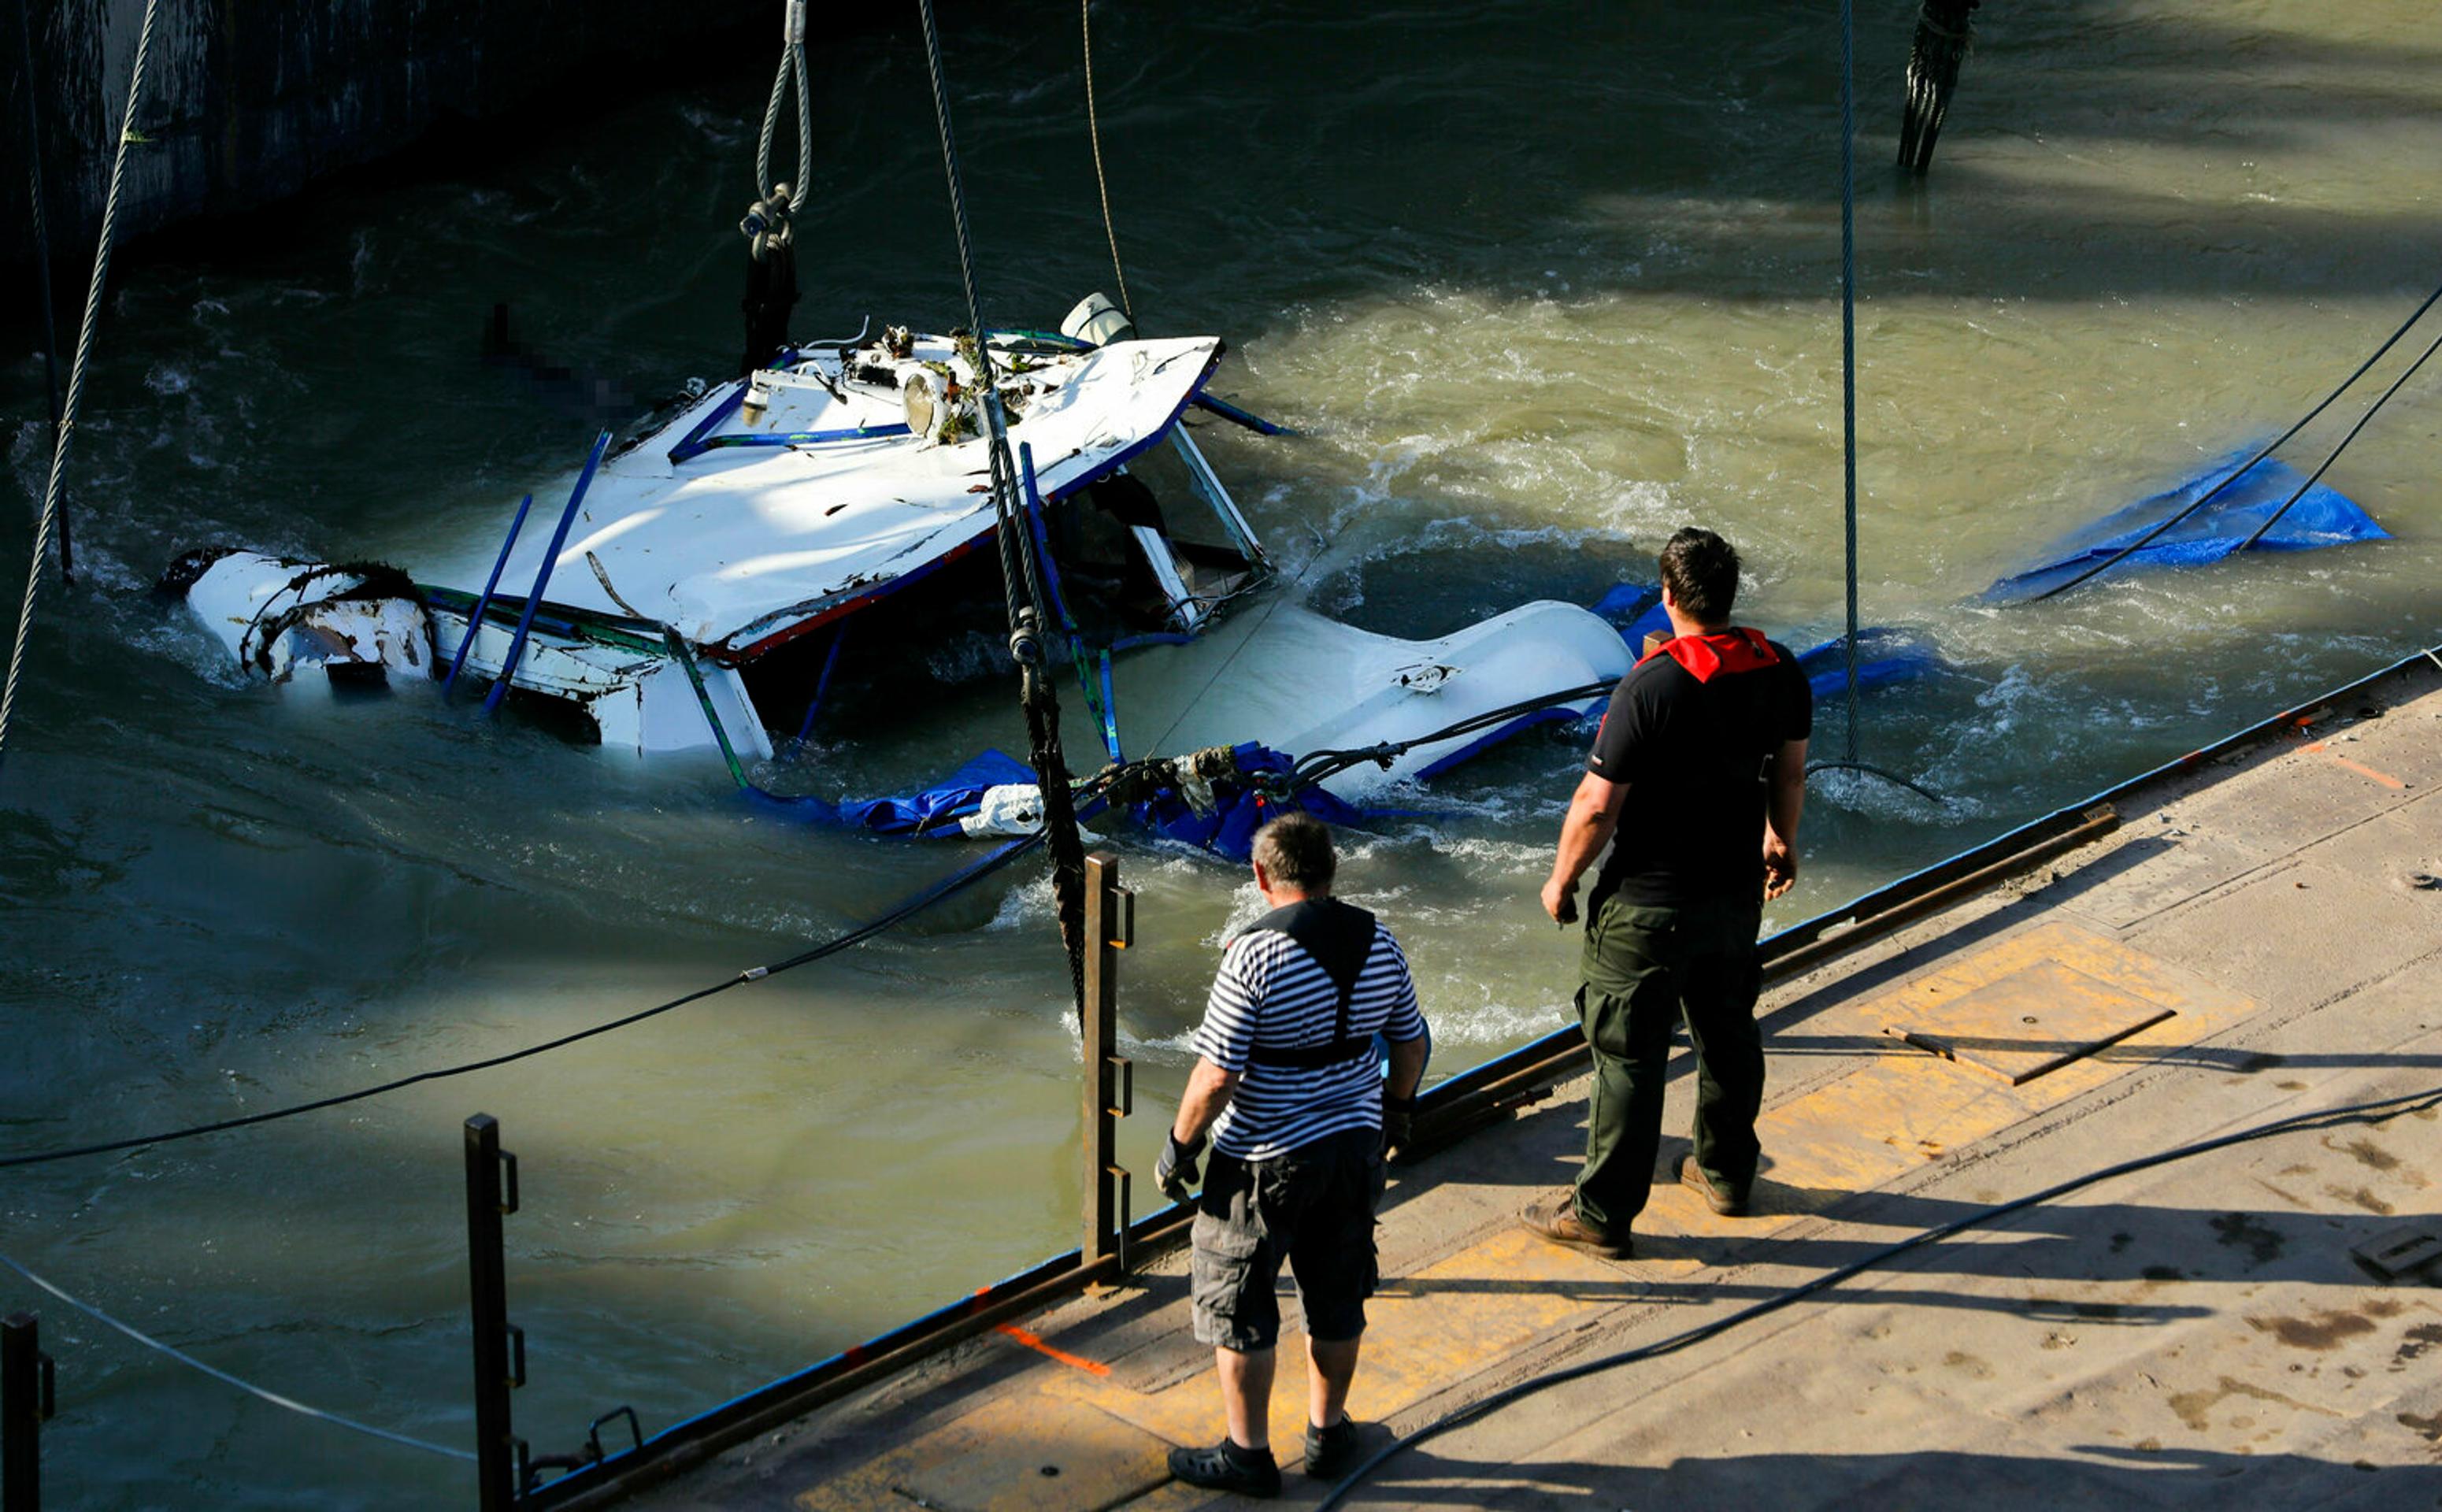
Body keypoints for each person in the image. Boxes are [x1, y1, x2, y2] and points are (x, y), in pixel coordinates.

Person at [1525, 526, 1810, 1258]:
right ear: (1728, 596)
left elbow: (1596, 804)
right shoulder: (1780, 670)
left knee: (1627, 1057)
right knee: (1727, 1033)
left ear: (1666, 596)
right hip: (1733, 897)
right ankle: (1724, 1174)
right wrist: (1780, 838)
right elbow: (1788, 774)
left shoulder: (1651, 684)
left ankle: (1601, 1215)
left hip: (1647, 907)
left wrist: (1563, 879)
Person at [1155, 810, 1430, 1498]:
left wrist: (1178, 1148)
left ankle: (1247, 1456)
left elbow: (1216, 1075)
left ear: (1259, 875)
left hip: (1261, 1161)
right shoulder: (1380, 940)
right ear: (1332, 870)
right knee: (1336, 1295)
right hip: (1353, 1149)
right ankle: (1328, 1434)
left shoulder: (1250, 954)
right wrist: (1395, 1111)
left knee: (1241, 1303)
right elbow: (1411, 1041)